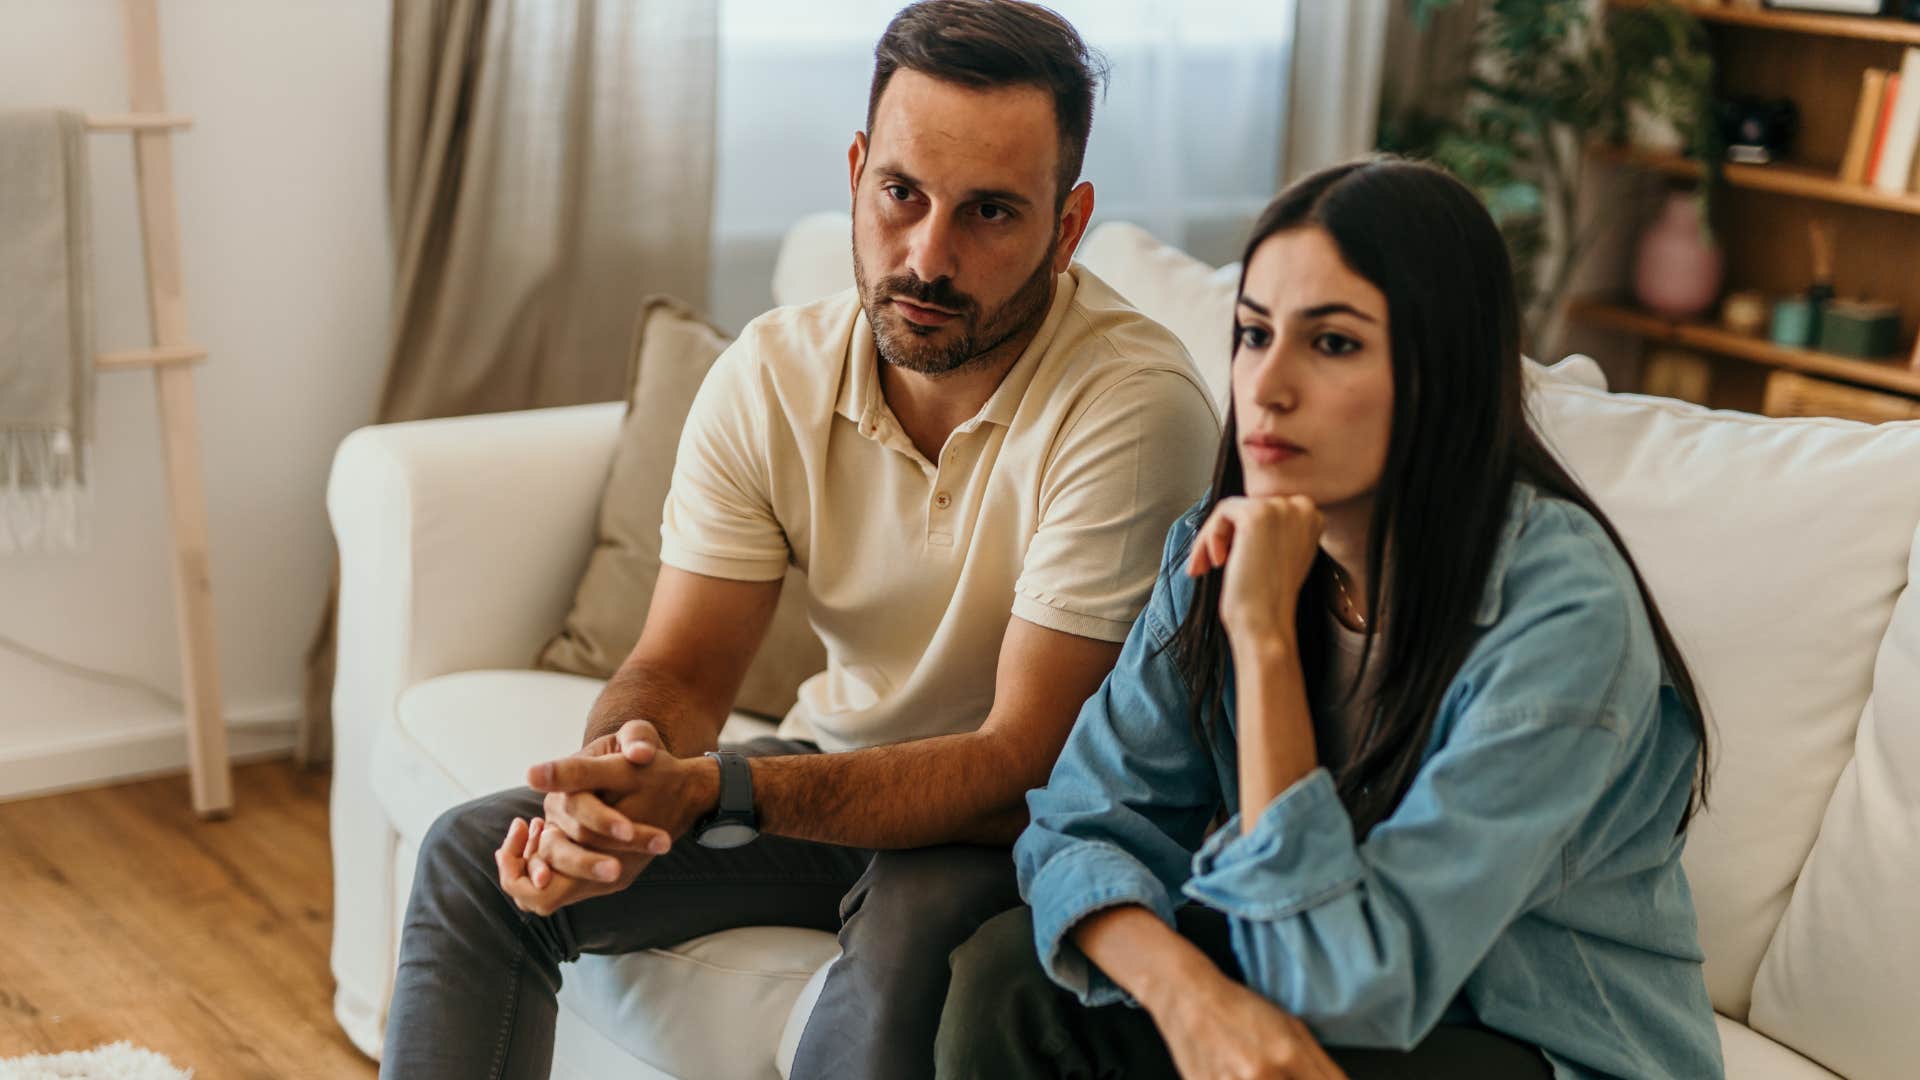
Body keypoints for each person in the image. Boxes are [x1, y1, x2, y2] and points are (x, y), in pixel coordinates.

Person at [376, 3, 1221, 1078]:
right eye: (902, 195)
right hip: (838, 769)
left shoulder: (1134, 408)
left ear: (1066, 225)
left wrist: (721, 792)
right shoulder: (772, 374)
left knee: (920, 932)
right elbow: (681, 665)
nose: (928, 257)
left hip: (1031, 825)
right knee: (473, 857)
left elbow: (1024, 763)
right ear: (859, 170)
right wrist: (615, 778)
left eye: (991, 214)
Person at [935, 158, 1725, 1079]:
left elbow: (1345, 992)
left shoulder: (1563, 613)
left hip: (1528, 1044)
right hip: (1312, 970)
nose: (1266, 387)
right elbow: (1080, 821)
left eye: (1334, 344)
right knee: (1009, 981)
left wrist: (1264, 640)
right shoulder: (1218, 543)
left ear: (1440, 372)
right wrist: (1192, 1003)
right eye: (1254, 334)